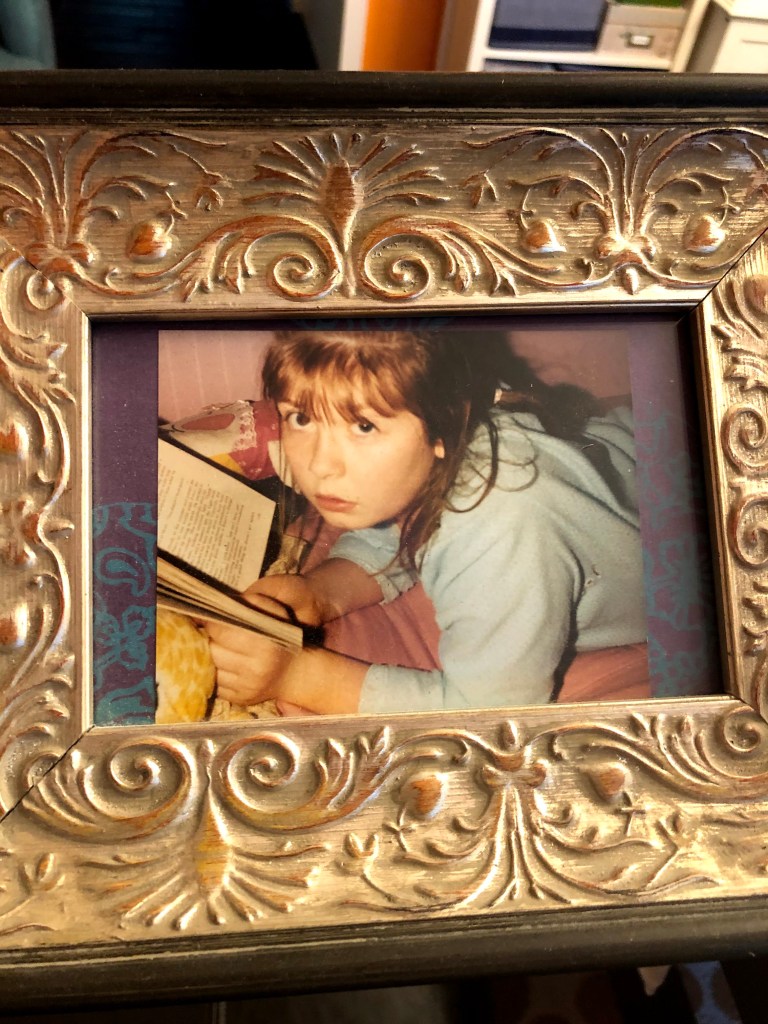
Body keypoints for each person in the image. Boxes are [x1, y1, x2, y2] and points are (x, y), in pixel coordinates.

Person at [204, 329, 647, 715]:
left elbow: (491, 711)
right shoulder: (437, 442)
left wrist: (297, 676)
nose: (320, 466)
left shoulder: (501, 526)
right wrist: (318, 594)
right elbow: (401, 527)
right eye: (301, 418)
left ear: (444, 425)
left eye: (363, 426)